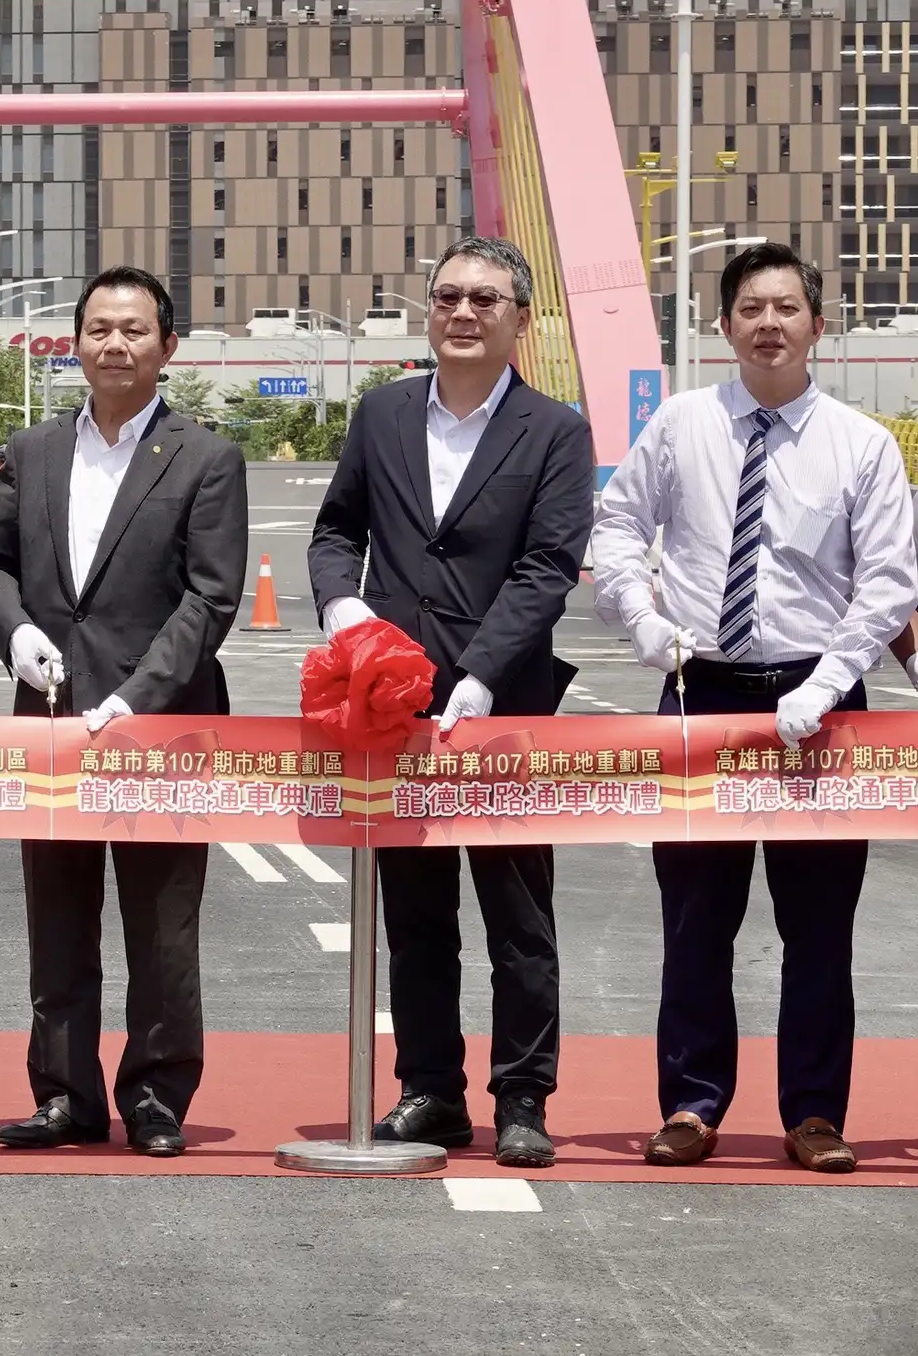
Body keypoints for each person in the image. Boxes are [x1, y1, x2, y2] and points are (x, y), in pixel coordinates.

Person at [592, 241, 917, 1175]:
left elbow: (889, 582)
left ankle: (815, 1114)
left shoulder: (862, 444)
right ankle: (692, 1103)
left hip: (825, 699)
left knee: (820, 921)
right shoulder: (683, 425)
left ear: (820, 324)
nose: (768, 324)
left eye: (787, 308)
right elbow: (616, 528)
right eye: (750, 309)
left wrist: (825, 683)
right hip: (702, 693)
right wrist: (645, 624)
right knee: (696, 916)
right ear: (724, 324)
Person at [308, 234, 595, 1170]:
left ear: (520, 318)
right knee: (417, 912)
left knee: (519, 917)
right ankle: (430, 1090)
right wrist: (345, 611)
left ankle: (523, 1096)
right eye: (446, 297)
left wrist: (477, 671)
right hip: (388, 705)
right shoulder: (381, 414)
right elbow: (337, 528)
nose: (463, 313)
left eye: (484, 299)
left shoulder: (555, 430)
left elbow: (548, 565)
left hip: (502, 704)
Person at [0, 266, 248, 1157]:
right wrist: (13, 634)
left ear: (168, 346)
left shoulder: (207, 458)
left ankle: (158, 1096)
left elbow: (210, 600)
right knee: (56, 918)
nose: (114, 344)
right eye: (97, 328)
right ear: (75, 342)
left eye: (134, 329)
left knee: (162, 928)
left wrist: (134, 697)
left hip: (161, 725)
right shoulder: (33, 452)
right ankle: (64, 1096)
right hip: (48, 715)